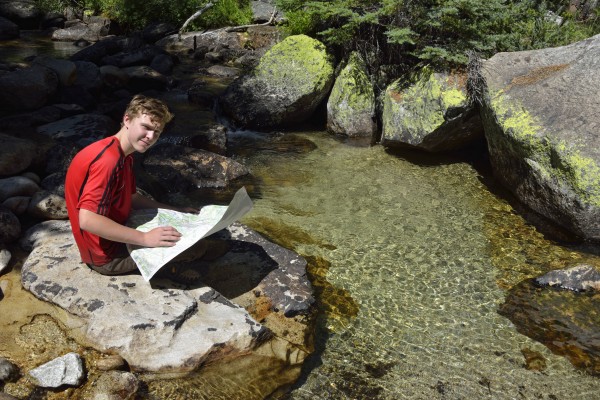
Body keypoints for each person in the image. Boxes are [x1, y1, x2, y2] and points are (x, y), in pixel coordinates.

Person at [65, 94, 209, 280]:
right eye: (146, 127)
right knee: (198, 246)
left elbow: (132, 198)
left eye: (156, 132)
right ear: (127, 119)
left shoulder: (121, 154)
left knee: (182, 229)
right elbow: (88, 220)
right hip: (109, 257)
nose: (150, 137)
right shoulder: (108, 161)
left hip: (116, 234)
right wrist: (145, 238)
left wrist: (177, 210)